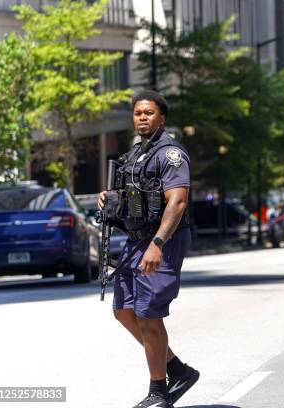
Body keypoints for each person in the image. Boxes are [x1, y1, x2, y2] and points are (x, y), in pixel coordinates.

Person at [98, 90, 199, 408]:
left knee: (148, 315)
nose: (142, 117)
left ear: (162, 117)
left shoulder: (170, 155)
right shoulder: (136, 154)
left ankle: (159, 392)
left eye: (149, 113)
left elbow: (178, 201)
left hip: (161, 242)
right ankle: (178, 370)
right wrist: (108, 198)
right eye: (138, 113)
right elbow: (132, 194)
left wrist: (158, 243)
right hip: (136, 239)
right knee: (123, 310)